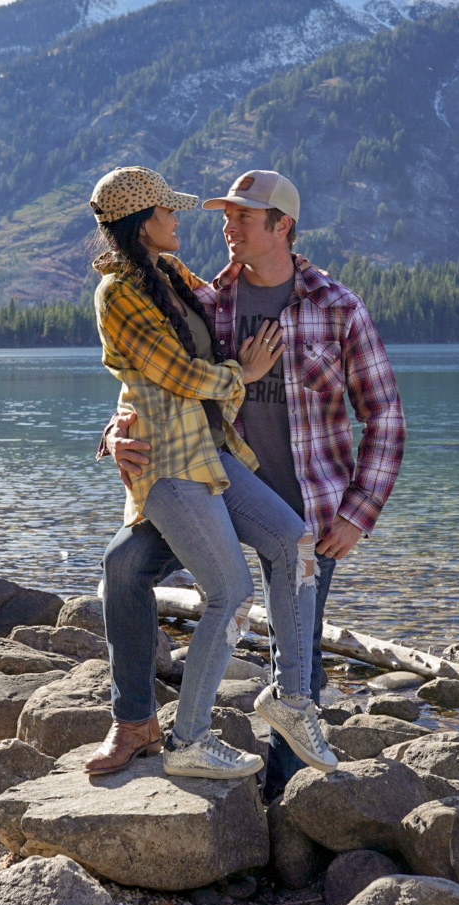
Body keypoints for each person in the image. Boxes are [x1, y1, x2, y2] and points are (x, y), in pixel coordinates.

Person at [97, 168, 406, 798]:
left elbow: (386, 417)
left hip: (305, 504)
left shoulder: (337, 308)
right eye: (224, 215)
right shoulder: (211, 299)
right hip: (208, 480)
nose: (225, 226)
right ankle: (133, 722)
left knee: (300, 653)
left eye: (241, 216)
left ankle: (281, 801)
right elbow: (156, 379)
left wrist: (357, 514)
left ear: (282, 226)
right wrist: (113, 435)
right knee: (125, 567)